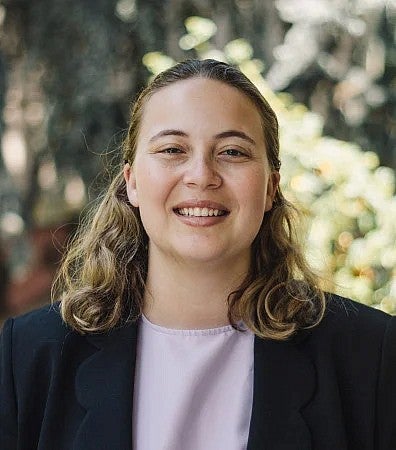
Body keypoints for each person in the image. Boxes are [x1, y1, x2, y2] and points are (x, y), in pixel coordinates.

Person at [0, 59, 395, 450]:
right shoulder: (30, 356)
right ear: (132, 182)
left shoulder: (370, 356)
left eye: (233, 152)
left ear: (271, 187)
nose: (202, 175)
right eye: (172, 149)